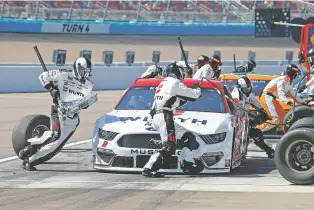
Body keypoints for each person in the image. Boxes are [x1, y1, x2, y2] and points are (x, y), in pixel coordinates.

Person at [18, 57, 97, 171]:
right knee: (57, 142)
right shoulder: (63, 74)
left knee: (55, 137)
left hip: (72, 118)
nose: (84, 74)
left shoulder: (89, 84)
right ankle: (30, 160)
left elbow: (87, 101)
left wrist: (85, 103)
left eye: (87, 72)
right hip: (58, 110)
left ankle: (30, 149)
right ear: (76, 68)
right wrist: (51, 89)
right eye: (83, 71)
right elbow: (42, 76)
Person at [142, 62, 202, 177]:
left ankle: (187, 164)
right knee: (169, 147)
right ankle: (149, 168)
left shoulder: (164, 83)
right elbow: (193, 95)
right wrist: (198, 89)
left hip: (159, 115)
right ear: (177, 72)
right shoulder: (175, 83)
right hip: (165, 116)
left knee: (188, 137)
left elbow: (175, 99)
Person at [231, 76, 275, 158]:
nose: (247, 91)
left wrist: (264, 114)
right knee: (236, 139)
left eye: (249, 88)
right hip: (235, 121)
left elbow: (258, 106)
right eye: (245, 89)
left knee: (256, 134)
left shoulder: (249, 95)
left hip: (244, 119)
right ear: (240, 88)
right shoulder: (235, 96)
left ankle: (269, 151)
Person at [256, 64, 303, 133]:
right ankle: (255, 130)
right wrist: (290, 103)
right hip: (267, 97)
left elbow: (294, 94)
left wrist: (303, 102)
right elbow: (281, 95)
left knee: (283, 118)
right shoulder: (283, 80)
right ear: (293, 74)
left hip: (272, 99)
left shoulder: (288, 81)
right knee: (275, 119)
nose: (296, 76)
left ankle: (287, 136)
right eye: (296, 73)